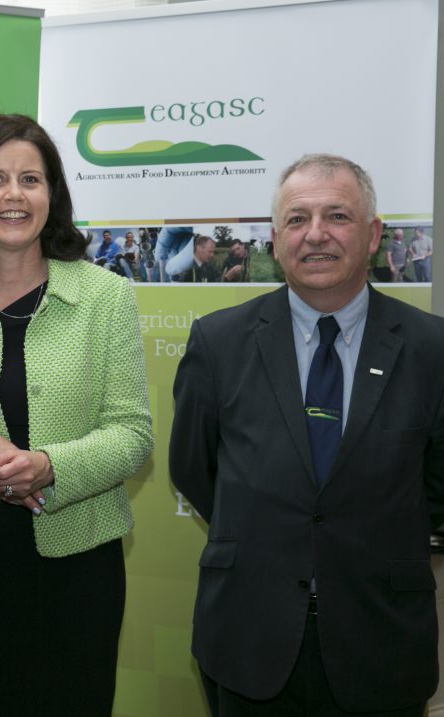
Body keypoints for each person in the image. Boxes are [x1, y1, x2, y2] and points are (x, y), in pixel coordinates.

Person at [170, 153, 444, 716]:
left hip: (381, 638)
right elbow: (195, 469)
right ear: (276, 241)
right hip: (248, 635)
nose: (315, 234)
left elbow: (437, 486)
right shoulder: (218, 342)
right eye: (297, 219)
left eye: (337, 216)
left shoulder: (431, 348)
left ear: (373, 235)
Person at [0, 114, 153, 716]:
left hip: (78, 570)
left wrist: (50, 465)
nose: (14, 195)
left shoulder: (105, 297)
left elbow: (133, 434)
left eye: (31, 179)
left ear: (52, 195)